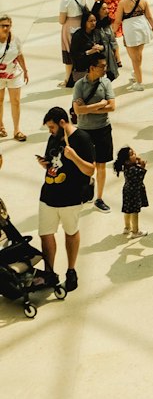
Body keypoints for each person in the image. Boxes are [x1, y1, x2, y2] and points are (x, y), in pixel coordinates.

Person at [35, 105, 95, 292]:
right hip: (48, 196)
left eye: (52, 127)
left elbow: (90, 169)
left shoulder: (82, 139)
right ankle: (50, 272)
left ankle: (71, 270)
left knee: (71, 232)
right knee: (46, 234)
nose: (51, 131)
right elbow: (53, 163)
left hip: (71, 198)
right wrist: (45, 165)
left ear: (62, 122)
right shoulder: (53, 138)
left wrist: (75, 157)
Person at [72, 53, 116, 212]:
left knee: (101, 165)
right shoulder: (79, 85)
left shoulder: (106, 83)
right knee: (84, 165)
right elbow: (77, 111)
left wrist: (87, 109)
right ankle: (84, 193)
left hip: (103, 129)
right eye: (102, 66)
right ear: (92, 68)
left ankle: (99, 198)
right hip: (84, 131)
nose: (105, 69)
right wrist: (99, 105)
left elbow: (112, 107)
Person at [114, 0, 153, 88]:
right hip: (142, 27)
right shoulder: (143, 0)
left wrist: (113, 32)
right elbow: (149, 16)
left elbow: (118, 20)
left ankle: (139, 82)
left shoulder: (122, 3)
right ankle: (136, 73)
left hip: (131, 30)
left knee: (134, 58)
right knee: (138, 54)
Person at [0, 12, 29, 141]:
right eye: (2, 25)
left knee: (15, 102)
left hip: (13, 73)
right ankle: (1, 127)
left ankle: (16, 130)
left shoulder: (15, 39)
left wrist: (25, 70)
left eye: (8, 25)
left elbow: (19, 54)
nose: (6, 28)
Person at [113, 145, 148, 239]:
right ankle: (135, 231)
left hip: (127, 191)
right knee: (135, 212)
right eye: (132, 154)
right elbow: (140, 177)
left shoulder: (128, 167)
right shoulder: (133, 169)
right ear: (127, 160)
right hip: (134, 192)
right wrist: (143, 166)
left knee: (127, 210)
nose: (135, 154)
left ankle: (127, 227)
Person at [58, 0, 86, 88]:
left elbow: (61, 20)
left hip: (69, 27)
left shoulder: (65, 0)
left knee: (69, 54)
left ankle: (68, 79)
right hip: (81, 26)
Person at [69, 9, 104, 83]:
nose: (93, 23)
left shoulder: (97, 32)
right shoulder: (78, 35)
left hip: (96, 68)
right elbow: (73, 54)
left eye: (95, 21)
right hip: (83, 69)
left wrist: (101, 47)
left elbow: (104, 45)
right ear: (85, 22)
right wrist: (88, 52)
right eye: (91, 21)